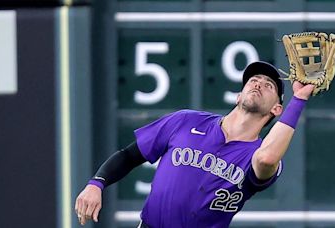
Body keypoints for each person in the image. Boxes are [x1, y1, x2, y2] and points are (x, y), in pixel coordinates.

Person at [75, 61, 315, 227]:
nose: (258, 84)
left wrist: (299, 99)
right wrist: (97, 183)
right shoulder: (185, 121)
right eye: (253, 79)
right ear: (238, 95)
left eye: (269, 85)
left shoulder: (256, 154)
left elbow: (267, 159)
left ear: (277, 109)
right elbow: (129, 155)